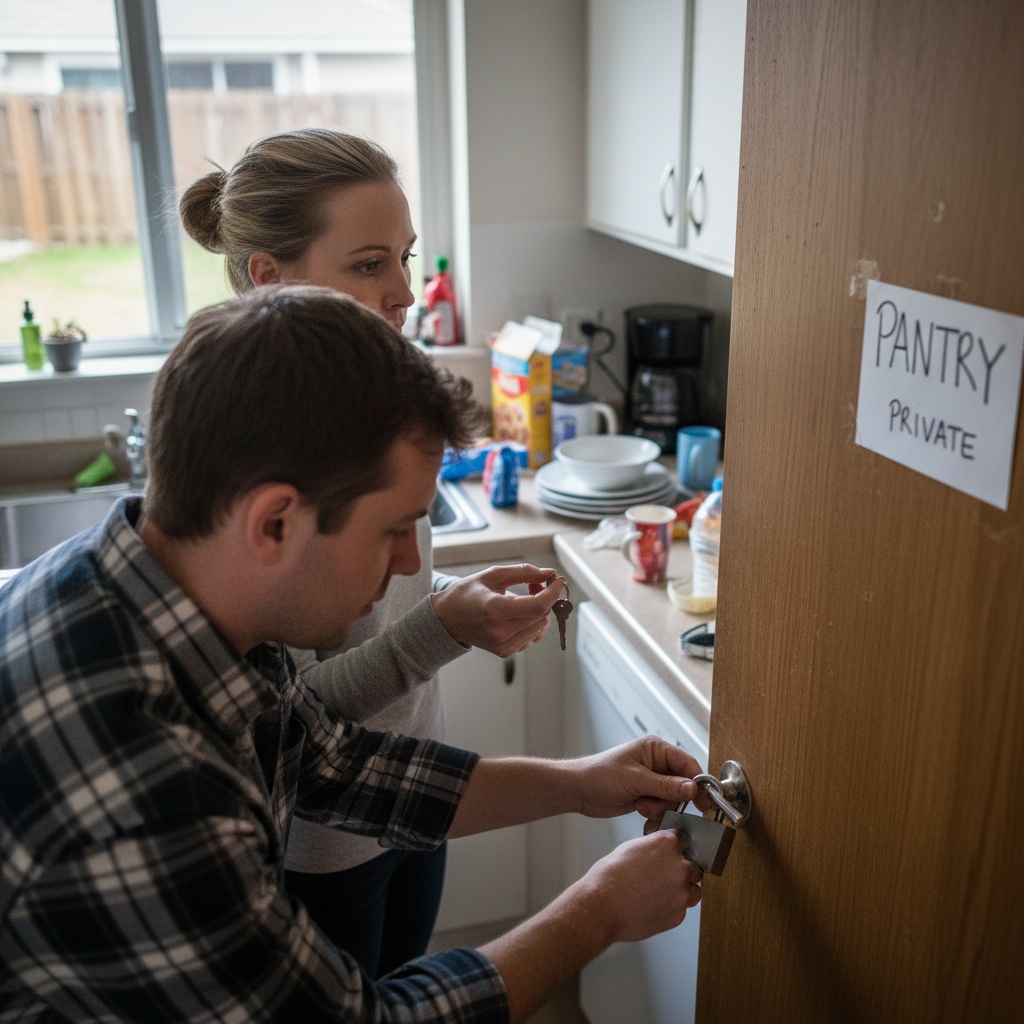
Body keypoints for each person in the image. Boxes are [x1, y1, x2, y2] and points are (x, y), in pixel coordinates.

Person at [0, 286, 704, 1023]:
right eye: (393, 529)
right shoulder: (144, 784)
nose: (409, 566)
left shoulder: (173, 593)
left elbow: (336, 763)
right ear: (275, 522)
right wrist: (596, 912)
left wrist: (582, 784)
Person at [179, 127, 558, 975]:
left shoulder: (372, 398)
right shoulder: (258, 461)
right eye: (368, 264)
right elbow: (289, 716)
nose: (404, 292)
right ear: (267, 276)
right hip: (329, 838)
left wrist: (453, 598)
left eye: (406, 259)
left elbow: (380, 595)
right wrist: (445, 627)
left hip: (417, 781)